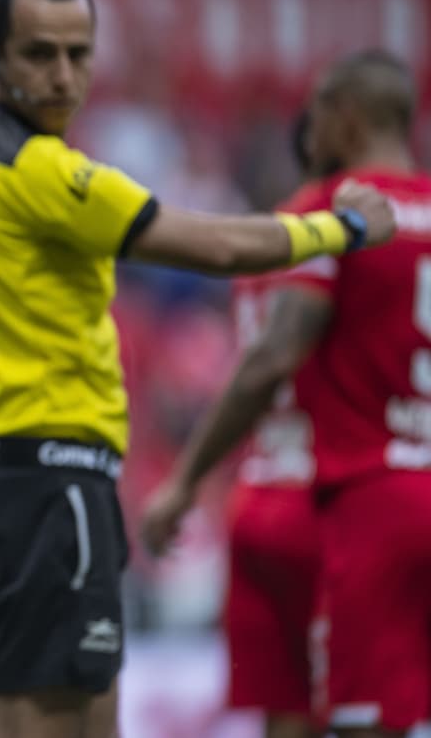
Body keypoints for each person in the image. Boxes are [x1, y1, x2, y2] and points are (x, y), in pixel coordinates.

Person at [0, 0, 395, 738]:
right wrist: (341, 230)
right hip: (54, 482)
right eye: (39, 53)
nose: (62, 75)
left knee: (46, 714)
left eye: (77, 54)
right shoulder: (41, 170)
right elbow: (215, 244)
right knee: (58, 724)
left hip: (5, 487)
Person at [149, 49, 431, 738]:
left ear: (342, 116)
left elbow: (272, 356)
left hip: (326, 491)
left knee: (329, 717)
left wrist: (185, 480)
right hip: (413, 474)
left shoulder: (325, 215)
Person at [140, 109, 328, 738]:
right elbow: (273, 362)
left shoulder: (256, 260)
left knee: (286, 709)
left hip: (259, 488)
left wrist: (188, 479)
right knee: (352, 706)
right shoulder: (337, 243)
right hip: (326, 495)